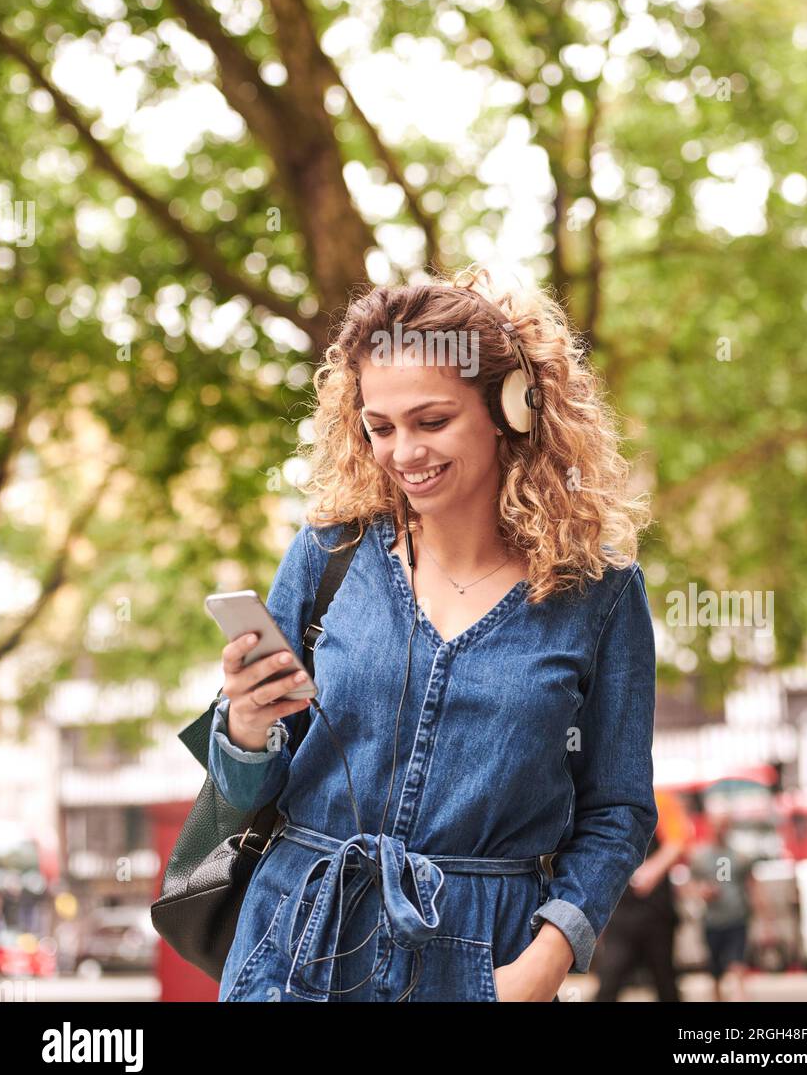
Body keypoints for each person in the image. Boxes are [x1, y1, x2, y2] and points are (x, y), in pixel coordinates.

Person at [206, 267, 659, 1002]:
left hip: (481, 958)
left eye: (431, 421)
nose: (403, 452)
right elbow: (237, 792)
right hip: (296, 942)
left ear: (511, 408)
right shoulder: (326, 557)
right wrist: (246, 730)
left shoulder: (599, 595)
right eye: (380, 427)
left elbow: (619, 810)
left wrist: (546, 961)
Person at [594, 786, 694, 1001]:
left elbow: (678, 841)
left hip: (655, 911)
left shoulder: (660, 798)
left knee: (665, 981)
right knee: (609, 980)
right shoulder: (604, 800)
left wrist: (651, 870)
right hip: (620, 913)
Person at [688, 812, 759, 1001]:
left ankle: (740, 996)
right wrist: (702, 892)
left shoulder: (740, 857)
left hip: (736, 916)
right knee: (715, 968)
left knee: (737, 962)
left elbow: (752, 885)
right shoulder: (700, 856)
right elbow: (691, 884)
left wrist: (761, 914)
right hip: (712, 919)